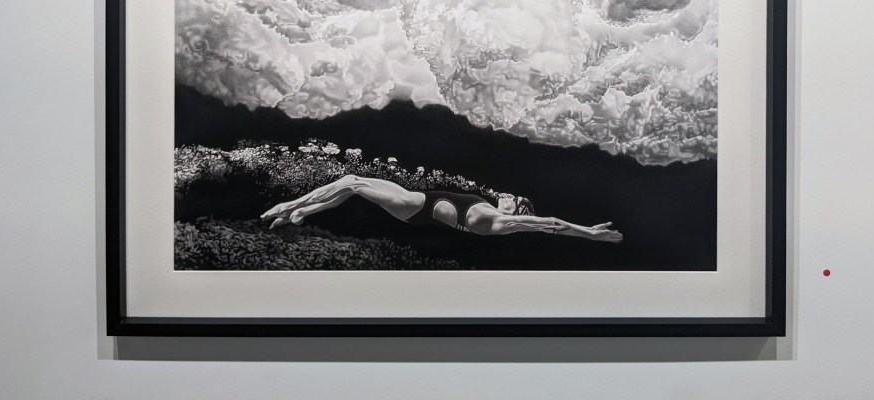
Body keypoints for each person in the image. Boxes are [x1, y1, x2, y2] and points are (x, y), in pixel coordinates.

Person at [261, 174, 623, 242]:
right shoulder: (492, 208)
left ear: (517, 211)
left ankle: (289, 206)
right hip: (416, 198)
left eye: (513, 198)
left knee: (352, 184)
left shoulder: (501, 222)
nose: (507, 195)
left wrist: (589, 233)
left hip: (413, 208)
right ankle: (302, 214)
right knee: (353, 183)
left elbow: (551, 223)